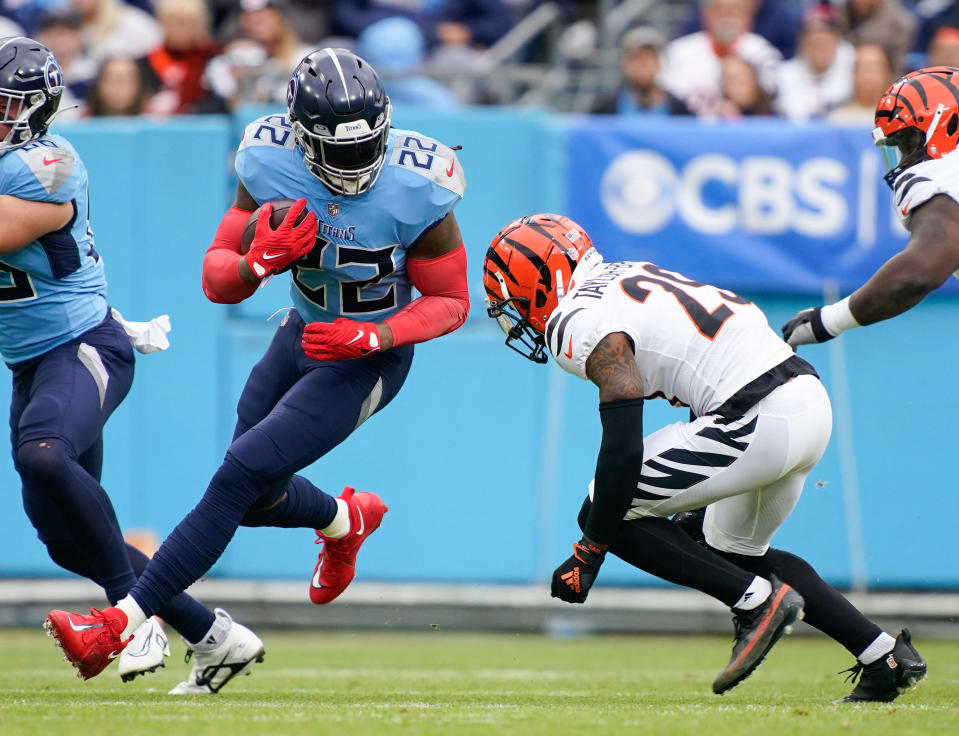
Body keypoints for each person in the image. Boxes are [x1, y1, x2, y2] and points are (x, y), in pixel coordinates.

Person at [45, 47, 470, 681]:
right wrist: (258, 263)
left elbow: (452, 301)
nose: (356, 162)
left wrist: (375, 338)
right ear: (302, 138)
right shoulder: (268, 159)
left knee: (240, 471)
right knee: (254, 493)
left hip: (369, 357)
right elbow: (217, 277)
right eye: (337, 149)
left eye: (366, 144)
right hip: (299, 334)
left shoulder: (418, 181)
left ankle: (121, 623)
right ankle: (345, 520)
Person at [483, 213, 926, 701]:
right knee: (732, 551)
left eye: (512, 302)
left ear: (537, 282)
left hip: (755, 414)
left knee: (604, 506)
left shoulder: (574, 319)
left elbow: (622, 445)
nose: (517, 316)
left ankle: (756, 603)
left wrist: (589, 551)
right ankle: (883, 655)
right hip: (805, 398)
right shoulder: (626, 272)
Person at [0, 36, 262, 694]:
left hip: (83, 346)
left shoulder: (48, 162)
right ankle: (215, 637)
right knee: (65, 540)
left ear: (36, 108)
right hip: (34, 363)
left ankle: (130, 616)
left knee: (44, 455)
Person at [784, 67, 959, 363]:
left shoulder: (943, 173)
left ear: (948, 126)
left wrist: (829, 321)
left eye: (906, 142)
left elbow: (920, 272)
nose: (903, 158)